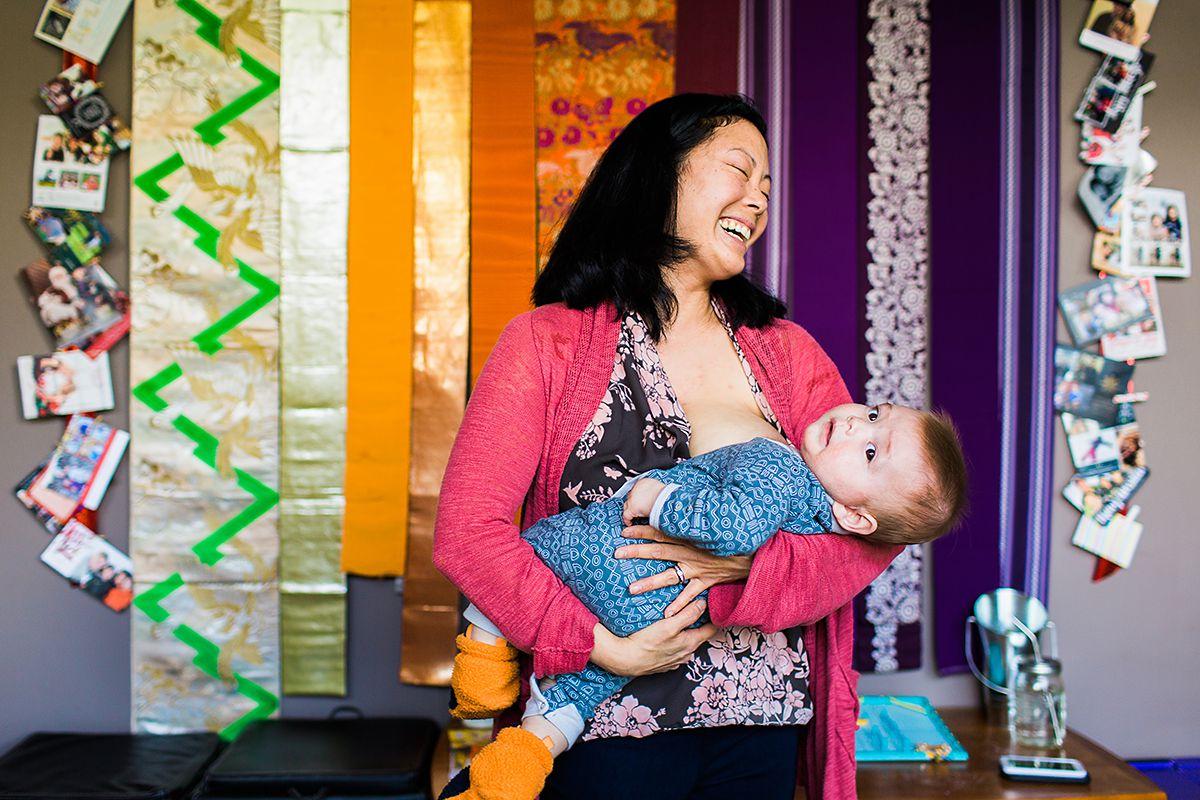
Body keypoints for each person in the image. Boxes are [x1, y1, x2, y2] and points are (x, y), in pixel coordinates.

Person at [432, 94, 902, 800]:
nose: (758, 201)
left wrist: (744, 566)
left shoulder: (790, 354)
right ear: (659, 176)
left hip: (764, 731)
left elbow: (870, 531)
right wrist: (600, 646)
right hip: (601, 728)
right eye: (739, 171)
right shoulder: (545, 343)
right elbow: (469, 534)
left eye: (768, 188)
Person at [447, 402, 967, 800]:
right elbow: (468, 536)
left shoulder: (781, 463)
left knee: (541, 549)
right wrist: (607, 647)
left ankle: (486, 656)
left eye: (872, 451)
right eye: (874, 413)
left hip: (633, 585)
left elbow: (733, 527)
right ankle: (526, 753)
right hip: (648, 649)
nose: (856, 425)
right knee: (573, 699)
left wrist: (661, 499)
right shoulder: (821, 520)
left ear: (858, 519)